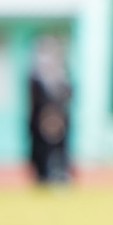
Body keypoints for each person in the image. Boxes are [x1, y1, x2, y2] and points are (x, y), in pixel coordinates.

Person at [28, 35, 73, 184]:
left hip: (60, 119)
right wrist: (46, 115)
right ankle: (42, 176)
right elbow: (35, 99)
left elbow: (67, 95)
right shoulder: (36, 76)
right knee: (40, 149)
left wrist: (56, 115)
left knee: (61, 149)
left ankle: (61, 174)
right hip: (39, 119)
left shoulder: (62, 75)